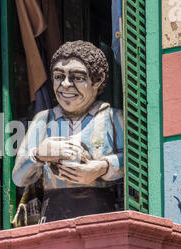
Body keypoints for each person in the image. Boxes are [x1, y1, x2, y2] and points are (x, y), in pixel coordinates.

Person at [12, 40, 124, 223]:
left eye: (77, 78)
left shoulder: (112, 118)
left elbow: (135, 163)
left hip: (101, 213)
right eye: (58, 76)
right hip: (53, 214)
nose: (65, 85)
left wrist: (101, 167)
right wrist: (39, 155)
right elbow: (18, 177)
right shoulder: (44, 119)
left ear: (97, 80)